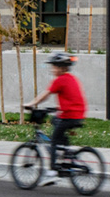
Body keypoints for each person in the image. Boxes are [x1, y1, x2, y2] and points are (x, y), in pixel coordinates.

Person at [24, 51, 88, 187]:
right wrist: (57, 108)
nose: (52, 69)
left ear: (61, 68)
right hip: (77, 114)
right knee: (55, 121)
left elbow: (46, 94)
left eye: (54, 66)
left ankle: (52, 172)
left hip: (69, 115)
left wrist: (31, 103)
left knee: (53, 140)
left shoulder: (60, 80)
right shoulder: (71, 78)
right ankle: (64, 151)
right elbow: (71, 98)